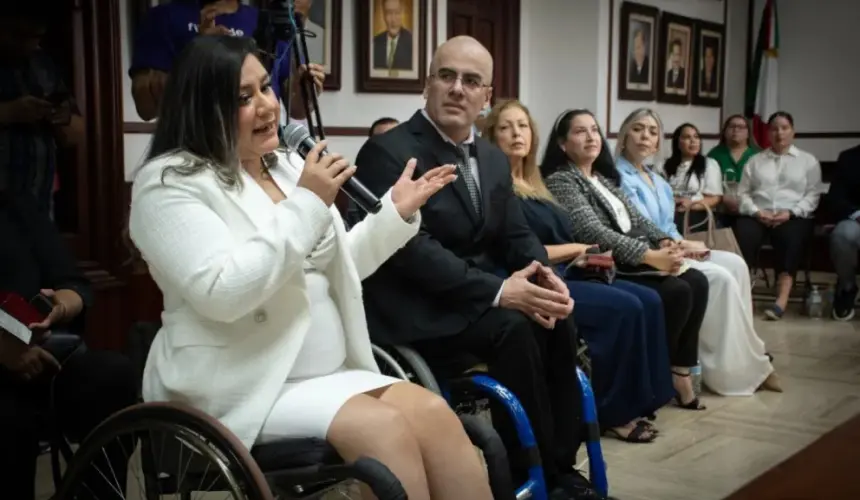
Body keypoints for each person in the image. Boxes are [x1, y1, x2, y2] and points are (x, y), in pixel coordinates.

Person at [128, 35, 492, 500]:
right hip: (246, 380)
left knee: (436, 415)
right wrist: (308, 201)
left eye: (266, 88)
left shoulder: (280, 165)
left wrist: (394, 215)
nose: (267, 107)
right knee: (383, 430)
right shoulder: (169, 183)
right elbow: (224, 292)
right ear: (202, 108)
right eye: (244, 98)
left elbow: (339, 266)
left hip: (327, 375)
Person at [353, 36, 609, 500]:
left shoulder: (491, 157)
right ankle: (521, 473)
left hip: (478, 301)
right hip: (418, 310)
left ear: (486, 97)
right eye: (447, 76)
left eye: (471, 81)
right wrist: (499, 291)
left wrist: (542, 276)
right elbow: (412, 251)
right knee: (514, 326)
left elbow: (514, 234)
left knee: (557, 314)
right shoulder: (387, 152)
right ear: (427, 84)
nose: (457, 89)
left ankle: (560, 466)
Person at [483, 99, 674, 443]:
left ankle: (645, 398)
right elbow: (523, 251)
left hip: (567, 271)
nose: (516, 134)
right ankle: (612, 413)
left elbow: (561, 238)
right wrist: (577, 249)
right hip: (534, 279)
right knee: (626, 308)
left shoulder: (535, 182)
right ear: (490, 136)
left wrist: (580, 256)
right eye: (506, 127)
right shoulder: (496, 188)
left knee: (648, 299)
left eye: (523, 126)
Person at [542, 109, 708, 412]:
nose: (591, 137)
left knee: (697, 281)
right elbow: (592, 232)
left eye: (594, 130)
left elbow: (638, 219)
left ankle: (677, 370)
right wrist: (649, 255)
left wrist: (665, 241)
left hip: (635, 254)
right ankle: (654, 377)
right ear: (563, 144)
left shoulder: (602, 178)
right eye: (581, 132)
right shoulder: (561, 180)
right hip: (608, 262)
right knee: (677, 291)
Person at [617, 111, 781, 396]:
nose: (645, 136)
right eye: (638, 129)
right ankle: (730, 372)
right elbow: (634, 227)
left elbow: (667, 224)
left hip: (673, 243)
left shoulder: (656, 178)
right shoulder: (618, 176)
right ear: (624, 136)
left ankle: (751, 356)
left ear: (659, 142)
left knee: (736, 264)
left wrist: (685, 244)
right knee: (720, 278)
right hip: (651, 254)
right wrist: (676, 247)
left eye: (653, 131)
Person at [0, 190, 137, 500]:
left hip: (41, 352)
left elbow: (73, 286)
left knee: (112, 375)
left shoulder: (17, 208)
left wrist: (58, 308)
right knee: (10, 420)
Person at [129, 0, 325, 122]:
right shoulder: (163, 18)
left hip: (257, 156)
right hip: (194, 151)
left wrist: (305, 91)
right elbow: (145, 108)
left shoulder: (267, 21)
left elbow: (296, 110)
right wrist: (198, 53)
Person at [735, 111, 822, 320]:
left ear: (793, 132)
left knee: (791, 237)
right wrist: (757, 211)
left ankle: (781, 300)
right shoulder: (755, 161)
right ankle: (743, 294)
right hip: (759, 214)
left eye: (784, 128)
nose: (779, 133)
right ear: (768, 133)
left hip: (793, 215)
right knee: (742, 233)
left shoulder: (808, 161)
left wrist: (791, 213)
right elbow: (742, 193)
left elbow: (813, 194)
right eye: (774, 128)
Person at [0, 5, 85, 214]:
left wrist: (60, 117)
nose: (28, 45)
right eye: (18, 36)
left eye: (35, 37)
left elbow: (76, 134)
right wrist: (9, 112)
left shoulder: (44, 65)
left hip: (40, 200)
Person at [660, 123, 724, 232]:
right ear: (677, 142)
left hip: (697, 211)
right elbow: (656, 193)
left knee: (678, 223)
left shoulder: (709, 164)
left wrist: (690, 204)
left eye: (696, 137)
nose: (693, 141)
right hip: (669, 210)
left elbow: (715, 198)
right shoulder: (663, 165)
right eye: (687, 137)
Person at [827, 143, 860, 320]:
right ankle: (847, 287)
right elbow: (836, 198)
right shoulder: (849, 158)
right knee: (842, 235)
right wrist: (857, 214)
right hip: (855, 219)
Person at [372, 0, 413, 71]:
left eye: (397, 13)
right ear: (384, 15)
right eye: (389, 13)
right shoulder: (375, 42)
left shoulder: (413, 43)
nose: (393, 20)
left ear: (402, 13)